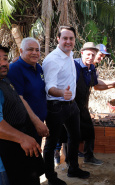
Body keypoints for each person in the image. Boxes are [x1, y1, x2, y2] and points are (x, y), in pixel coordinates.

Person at [42, 26, 90, 185]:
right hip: (56, 106)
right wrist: (62, 93)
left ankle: (73, 168)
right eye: (65, 38)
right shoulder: (52, 59)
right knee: (51, 143)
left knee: (75, 137)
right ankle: (51, 178)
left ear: (75, 40)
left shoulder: (69, 54)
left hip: (71, 105)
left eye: (71, 38)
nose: (68, 41)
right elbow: (49, 87)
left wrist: (69, 96)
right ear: (58, 39)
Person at [0, 45, 45, 185]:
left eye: (5, 59)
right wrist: (22, 138)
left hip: (19, 148)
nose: (3, 63)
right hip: (6, 160)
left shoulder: (5, 79)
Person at [74, 42, 115, 165]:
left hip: (83, 105)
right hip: (71, 106)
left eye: (93, 54)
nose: (91, 57)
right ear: (82, 53)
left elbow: (96, 85)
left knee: (89, 131)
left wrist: (113, 85)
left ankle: (88, 157)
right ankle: (70, 163)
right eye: (88, 54)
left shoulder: (92, 68)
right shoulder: (73, 65)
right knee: (70, 135)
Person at [7, 37, 49, 145]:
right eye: (30, 49)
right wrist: (37, 122)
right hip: (24, 126)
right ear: (21, 51)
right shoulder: (15, 69)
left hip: (37, 124)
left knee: (35, 156)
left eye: (37, 50)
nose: (34, 53)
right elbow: (19, 98)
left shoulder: (38, 68)